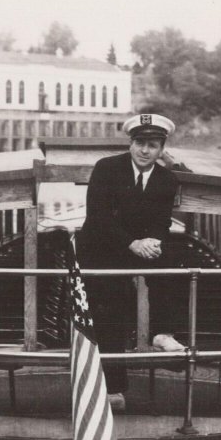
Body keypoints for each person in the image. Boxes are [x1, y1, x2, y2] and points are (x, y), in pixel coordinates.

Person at [77, 113, 187, 411]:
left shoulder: (167, 179)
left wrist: (152, 242)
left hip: (138, 246)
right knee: (111, 305)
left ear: (162, 148)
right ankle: (114, 389)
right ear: (131, 143)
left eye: (152, 145)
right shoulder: (106, 169)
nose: (144, 151)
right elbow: (98, 217)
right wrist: (132, 243)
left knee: (173, 263)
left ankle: (164, 333)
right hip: (101, 247)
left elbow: (161, 221)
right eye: (139, 143)